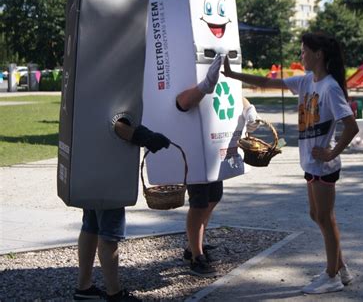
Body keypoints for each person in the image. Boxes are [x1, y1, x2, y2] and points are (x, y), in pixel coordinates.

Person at [222, 31, 359, 294]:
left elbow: (350, 126)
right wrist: (232, 75)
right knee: (316, 215)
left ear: (318, 54)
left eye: (305, 51)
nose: (302, 55)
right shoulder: (307, 81)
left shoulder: (329, 87)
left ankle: (332, 276)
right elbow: (265, 82)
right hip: (310, 162)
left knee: (325, 218)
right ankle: (340, 268)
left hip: (323, 165)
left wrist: (332, 153)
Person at [175, 55, 261, 277]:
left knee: (213, 197)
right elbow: (183, 102)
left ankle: (194, 246)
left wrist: (248, 107)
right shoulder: (184, 69)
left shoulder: (214, 64)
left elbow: (230, 90)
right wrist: (205, 85)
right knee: (199, 203)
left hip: (214, 147)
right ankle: (196, 256)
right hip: (195, 149)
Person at [74, 126, 170, 301]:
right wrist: (146, 137)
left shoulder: (86, 97)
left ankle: (83, 288)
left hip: (91, 165)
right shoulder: (106, 96)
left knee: (91, 226)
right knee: (109, 233)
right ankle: (114, 293)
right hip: (109, 173)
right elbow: (116, 123)